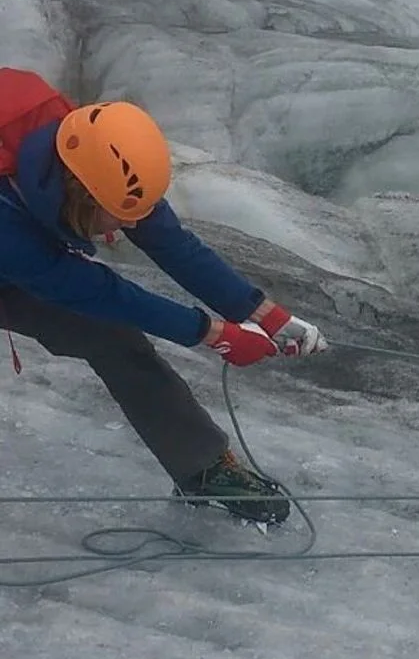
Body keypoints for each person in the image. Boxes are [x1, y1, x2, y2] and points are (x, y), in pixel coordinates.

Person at [0, 70, 328, 525]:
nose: (125, 228)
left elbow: (169, 240)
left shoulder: (94, 155)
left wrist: (264, 313)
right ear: (82, 197)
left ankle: (202, 469)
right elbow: (93, 291)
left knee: (113, 338)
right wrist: (213, 333)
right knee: (101, 312)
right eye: (116, 217)